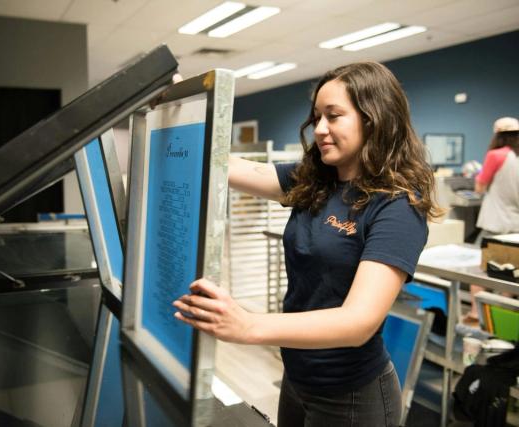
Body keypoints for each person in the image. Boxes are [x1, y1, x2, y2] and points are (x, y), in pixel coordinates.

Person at [172, 61, 442, 427]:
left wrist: (248, 326)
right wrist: (180, 110)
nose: (320, 129)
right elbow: (223, 165)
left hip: (353, 397)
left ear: (373, 118)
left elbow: (357, 322)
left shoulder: (397, 206)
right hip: (298, 379)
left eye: (333, 116)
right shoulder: (314, 181)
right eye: (317, 117)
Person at [464, 116, 519, 322]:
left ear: (498, 134)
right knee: (509, 273)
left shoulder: (496, 155)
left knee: (479, 272)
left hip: (496, 224)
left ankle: (476, 314)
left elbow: (480, 187)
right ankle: (501, 316)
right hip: (516, 228)